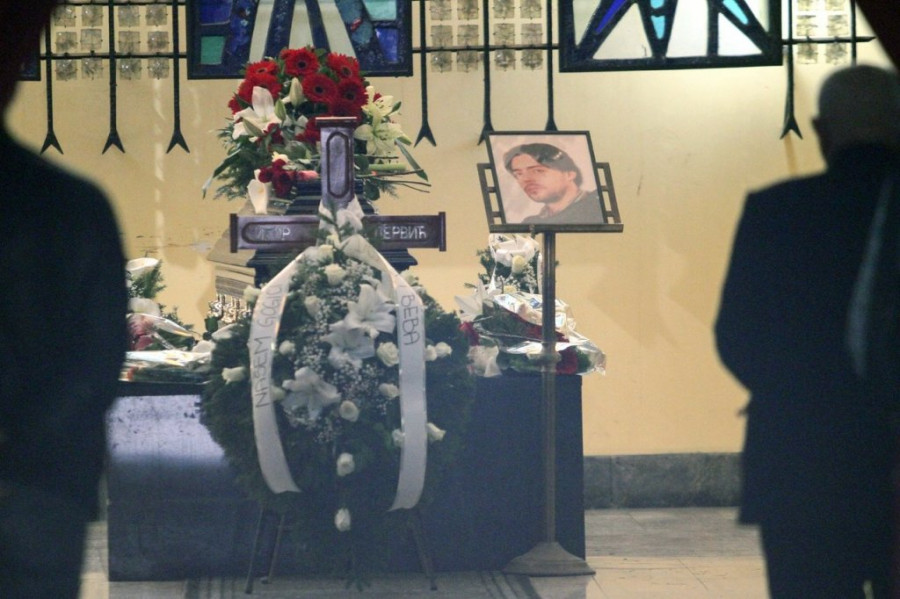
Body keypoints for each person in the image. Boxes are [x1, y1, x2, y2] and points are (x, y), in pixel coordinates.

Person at [715, 64, 900, 598]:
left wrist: (796, 395)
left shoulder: (777, 210)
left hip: (802, 460)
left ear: (821, 131)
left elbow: (736, 334)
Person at [0, 2, 128, 597]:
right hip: (40, 484)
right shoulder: (70, 208)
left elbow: (96, 362)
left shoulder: (69, 211)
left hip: (37, 492)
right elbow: (94, 366)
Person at [502, 142, 606, 224]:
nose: (526, 179)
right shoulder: (531, 223)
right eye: (519, 174)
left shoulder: (598, 209)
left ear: (569, 175)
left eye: (538, 171)